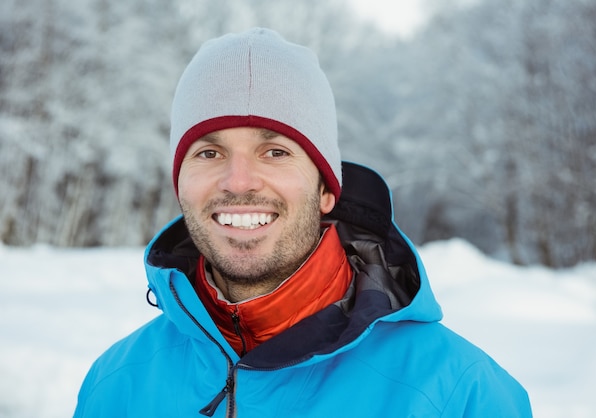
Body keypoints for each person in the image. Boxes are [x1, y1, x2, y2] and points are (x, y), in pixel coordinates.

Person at [73, 28, 532, 417]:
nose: (238, 181)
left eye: (275, 152)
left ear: (327, 190)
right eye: (209, 153)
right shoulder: (115, 386)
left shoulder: (458, 394)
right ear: (180, 184)